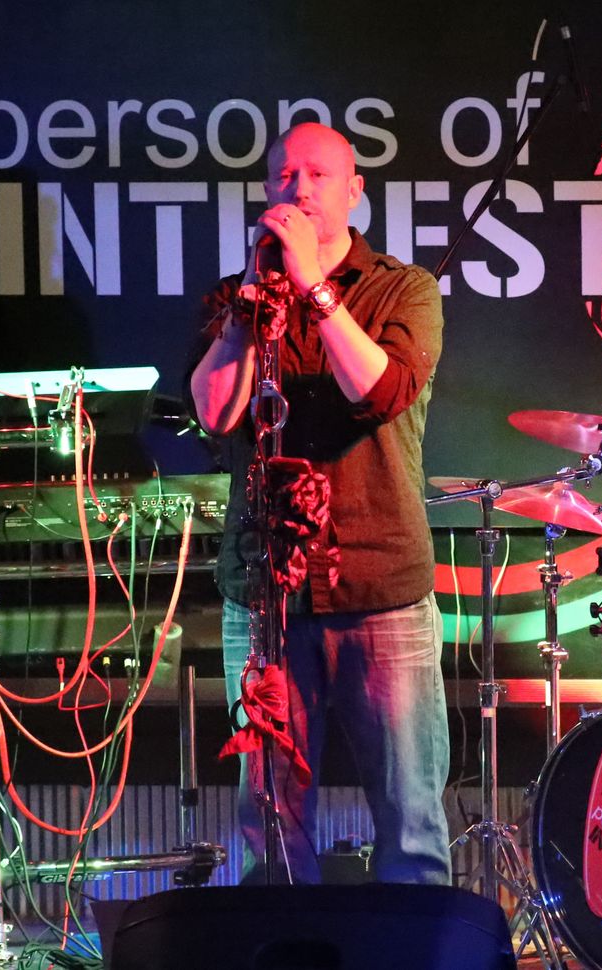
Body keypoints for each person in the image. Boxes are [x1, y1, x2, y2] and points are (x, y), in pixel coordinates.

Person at [186, 122, 451, 885]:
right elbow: (214, 412)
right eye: (283, 175)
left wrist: (313, 286)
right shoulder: (235, 295)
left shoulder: (403, 289)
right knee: (270, 819)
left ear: (354, 191)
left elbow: (378, 391)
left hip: (379, 588)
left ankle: (418, 939)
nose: (297, 189)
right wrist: (252, 300)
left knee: (409, 818)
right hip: (265, 592)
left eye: (317, 175)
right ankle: (284, 940)